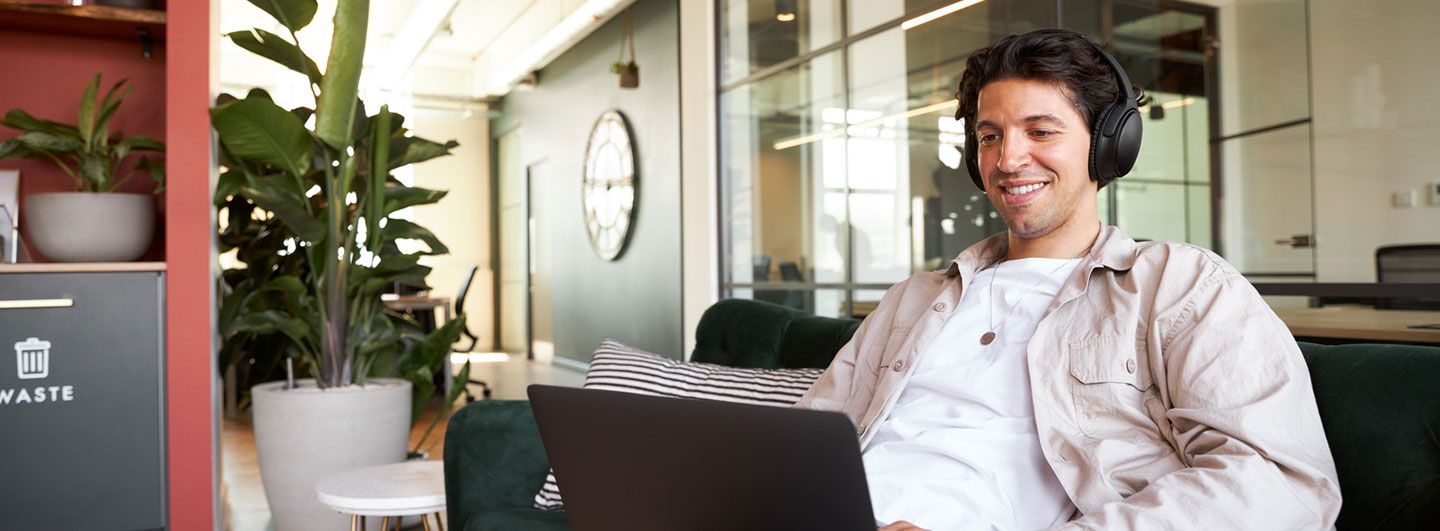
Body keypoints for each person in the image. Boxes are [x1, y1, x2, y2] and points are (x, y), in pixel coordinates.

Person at [793, 29, 1341, 530]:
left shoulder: (1181, 286)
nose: (1008, 159)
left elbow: (1280, 486)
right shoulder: (912, 299)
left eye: (1041, 131)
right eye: (989, 137)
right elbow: (802, 446)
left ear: (1108, 145)